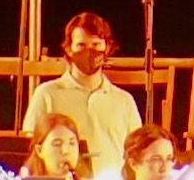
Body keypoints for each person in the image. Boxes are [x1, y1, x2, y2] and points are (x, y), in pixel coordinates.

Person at [24, 9, 145, 168]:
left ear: (106, 48)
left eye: (96, 45)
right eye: (81, 45)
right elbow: (31, 143)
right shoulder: (46, 93)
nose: (89, 51)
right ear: (68, 49)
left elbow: (137, 148)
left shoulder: (124, 100)